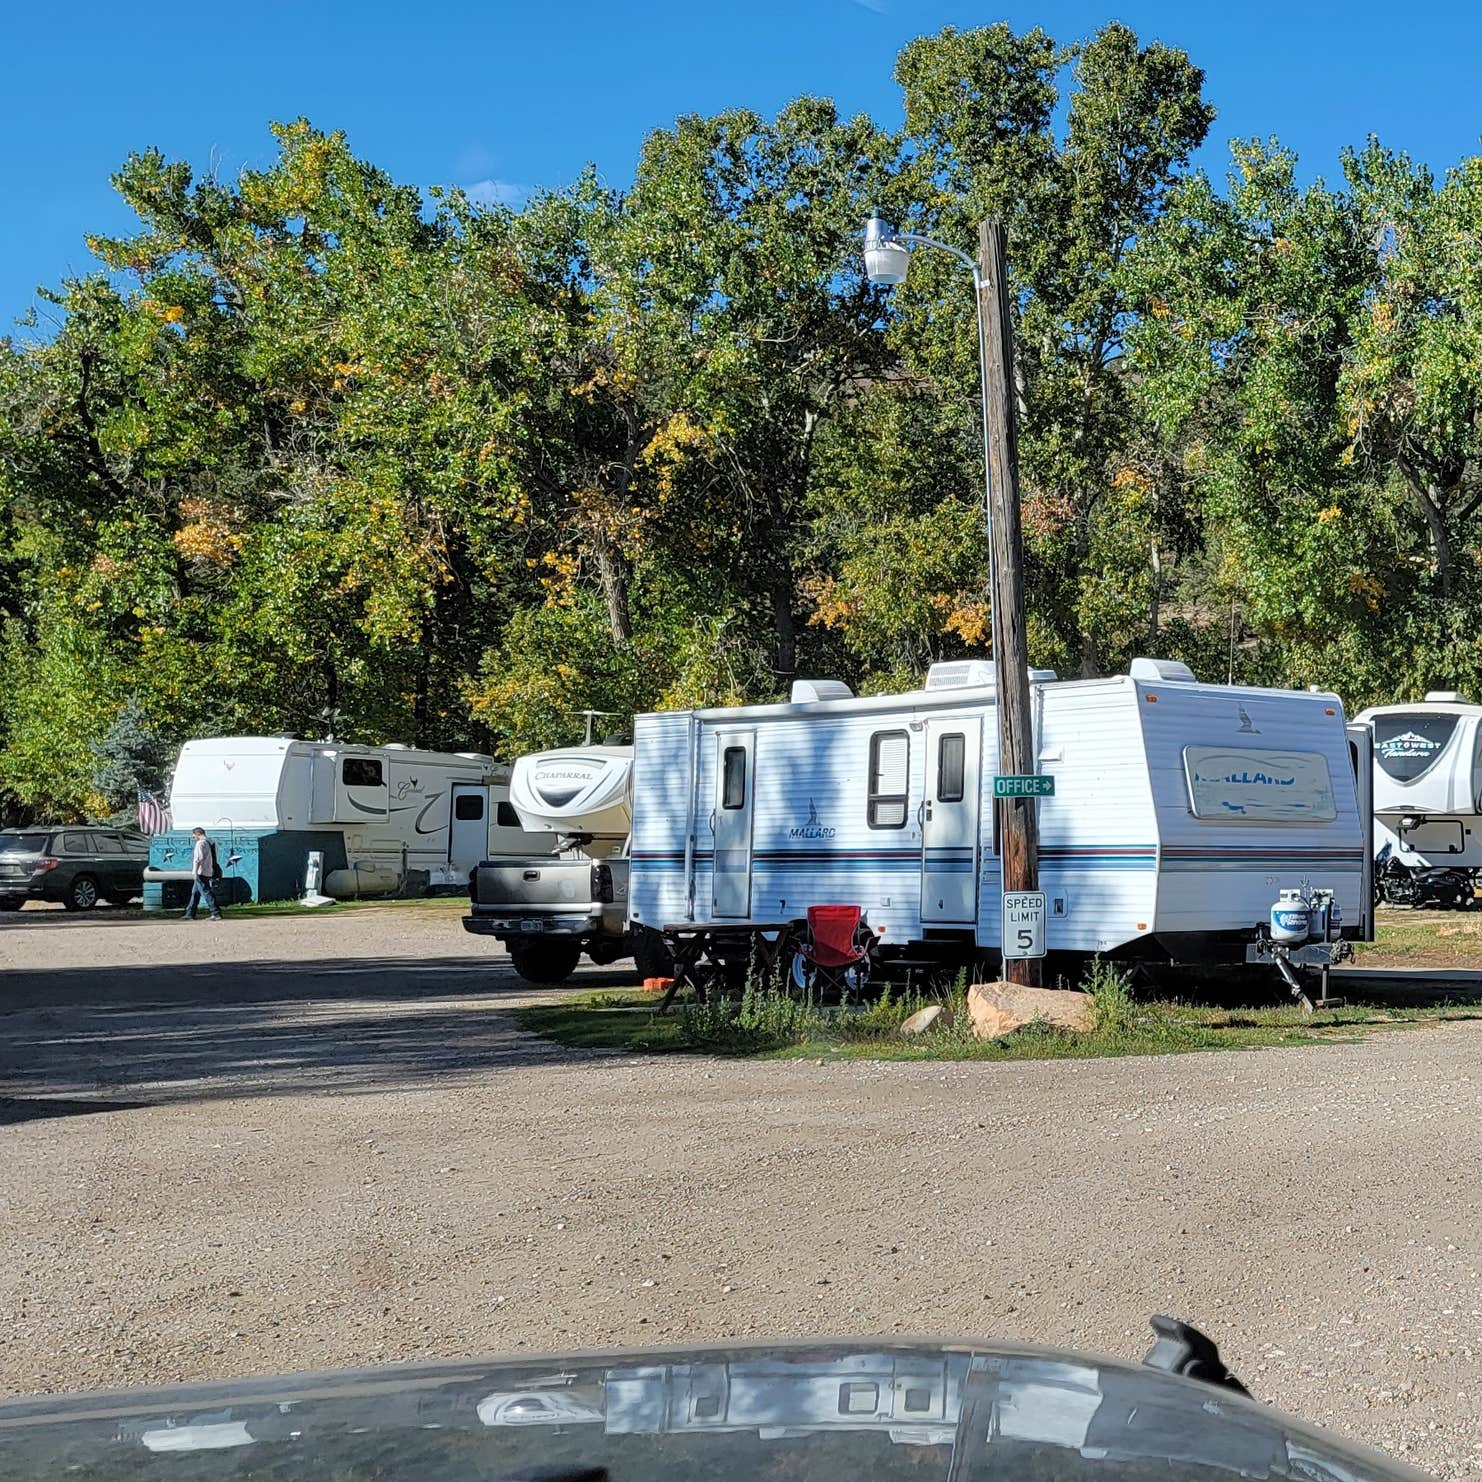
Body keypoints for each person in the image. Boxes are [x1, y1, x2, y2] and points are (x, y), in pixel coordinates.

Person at [182, 826, 223, 921]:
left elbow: (198, 858)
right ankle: (190, 913)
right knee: (195, 892)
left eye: (194, 836)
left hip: (201, 871)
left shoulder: (200, 843)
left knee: (206, 891)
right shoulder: (211, 842)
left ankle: (215, 912)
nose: (194, 838)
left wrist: (195, 872)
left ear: (198, 834)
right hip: (209, 870)